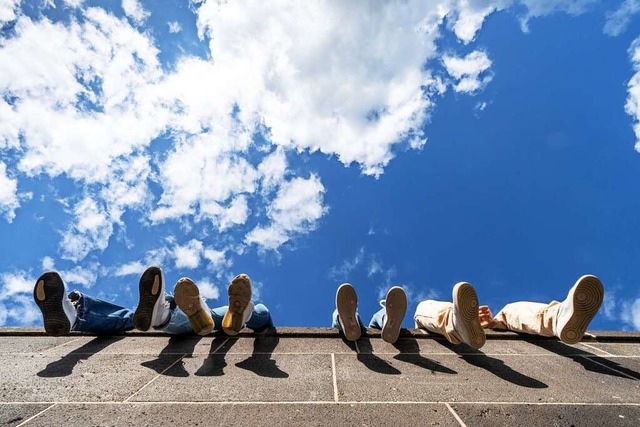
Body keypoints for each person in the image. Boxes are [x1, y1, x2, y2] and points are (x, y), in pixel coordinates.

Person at [33, 266, 272, 336]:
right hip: (215, 319)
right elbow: (267, 317)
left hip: (183, 320)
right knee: (261, 312)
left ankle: (78, 316)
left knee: (128, 318)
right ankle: (243, 314)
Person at [414, 275, 604, 349]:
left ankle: (556, 318)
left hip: (485, 331)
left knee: (508, 310)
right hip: (436, 330)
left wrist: (488, 324)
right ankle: (455, 322)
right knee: (422, 307)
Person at [332, 283, 407, 344]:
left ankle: (343, 319)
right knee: (377, 315)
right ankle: (386, 318)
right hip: (370, 329)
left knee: (339, 312)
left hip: (360, 329)